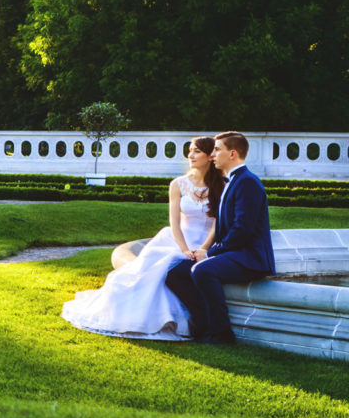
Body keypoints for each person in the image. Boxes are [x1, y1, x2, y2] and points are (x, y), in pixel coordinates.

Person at [62, 136, 224, 339]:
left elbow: (219, 222)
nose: (190, 155)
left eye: (197, 151)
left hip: (206, 242)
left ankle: (201, 322)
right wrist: (183, 249)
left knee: (178, 273)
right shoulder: (178, 184)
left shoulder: (222, 186)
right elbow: (174, 222)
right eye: (190, 150)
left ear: (210, 156)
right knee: (150, 271)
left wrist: (204, 248)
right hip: (178, 240)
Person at [164, 131, 275, 344]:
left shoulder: (247, 182)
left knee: (203, 269)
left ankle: (222, 333)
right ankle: (203, 324)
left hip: (250, 257)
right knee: (176, 272)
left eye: (217, 150)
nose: (213, 154)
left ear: (232, 153)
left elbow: (241, 231)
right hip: (235, 252)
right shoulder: (232, 181)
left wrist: (210, 253)